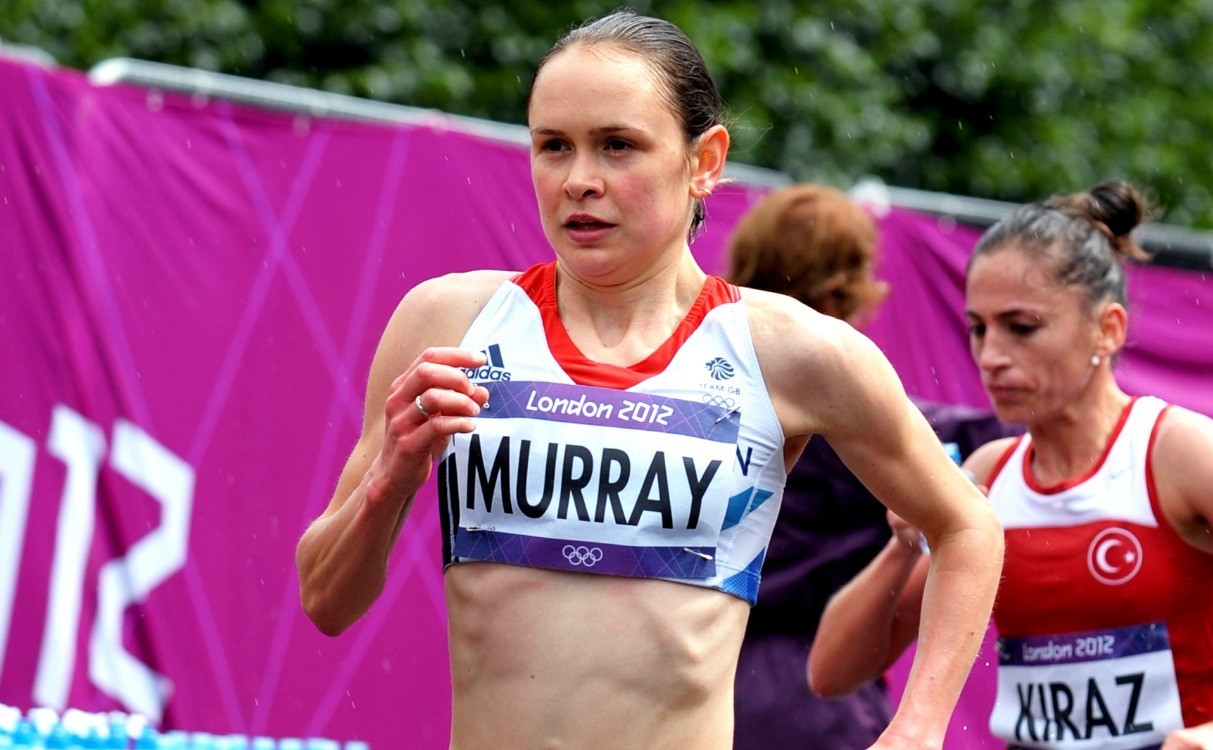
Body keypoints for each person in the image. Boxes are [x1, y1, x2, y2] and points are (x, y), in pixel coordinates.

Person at [295, 11, 1003, 749]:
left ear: (705, 161)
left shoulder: (788, 350)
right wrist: (390, 477)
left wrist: (918, 729)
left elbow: (967, 526)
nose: (579, 181)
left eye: (618, 146)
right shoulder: (448, 319)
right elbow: (325, 601)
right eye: (553, 147)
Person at [808, 179, 1213, 750]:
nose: (991, 356)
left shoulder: (1180, 452)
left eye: (1022, 328)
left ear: (1107, 329)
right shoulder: (990, 476)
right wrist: (902, 546)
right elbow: (832, 675)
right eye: (978, 328)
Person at [722, 183, 1019, 750]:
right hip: (818, 699)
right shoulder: (863, 418)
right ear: (841, 296)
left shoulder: (707, 397)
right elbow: (1031, 437)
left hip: (711, 673)